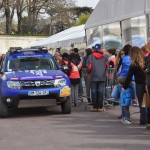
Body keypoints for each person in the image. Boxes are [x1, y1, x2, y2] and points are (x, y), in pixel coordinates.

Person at [122, 46, 150, 126]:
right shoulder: (146, 60)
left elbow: (129, 77)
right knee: (148, 101)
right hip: (147, 83)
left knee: (142, 103)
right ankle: (148, 119)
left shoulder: (133, 64)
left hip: (139, 84)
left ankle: (143, 120)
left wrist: (124, 87)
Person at [86, 43, 108, 112]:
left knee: (94, 91)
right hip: (102, 76)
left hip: (93, 76)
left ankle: (95, 107)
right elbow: (107, 66)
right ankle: (100, 107)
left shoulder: (91, 56)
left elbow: (88, 67)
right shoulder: (104, 57)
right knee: (101, 91)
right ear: (100, 49)